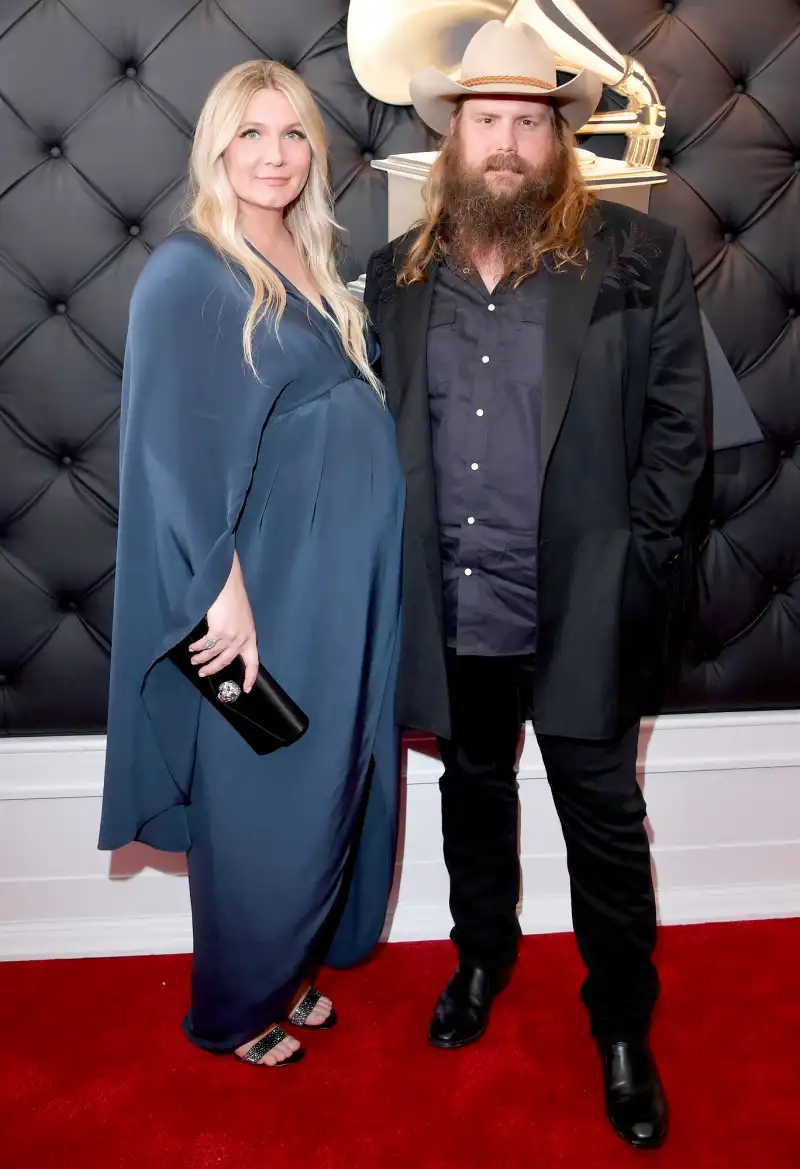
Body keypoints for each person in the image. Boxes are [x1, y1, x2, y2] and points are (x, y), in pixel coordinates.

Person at [364, 20, 709, 1150]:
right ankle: (479, 958)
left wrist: (642, 568)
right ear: (451, 138)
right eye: (484, 120)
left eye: (527, 120)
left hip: (583, 608)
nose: (505, 141)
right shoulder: (394, 275)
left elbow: (676, 437)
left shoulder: (636, 258)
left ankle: (620, 1024)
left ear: (555, 138)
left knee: (604, 823)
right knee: (474, 796)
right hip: (454, 605)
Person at [99, 59, 404, 1069]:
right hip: (262, 592)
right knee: (264, 789)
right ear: (216, 149)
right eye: (250, 135)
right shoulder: (191, 269)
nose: (273, 155)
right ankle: (232, 1007)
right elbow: (169, 453)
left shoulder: (307, 249)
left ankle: (292, 969)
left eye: (292, 135)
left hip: (344, 585)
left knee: (335, 777)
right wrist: (218, 596)